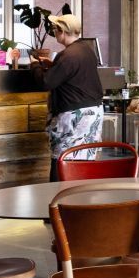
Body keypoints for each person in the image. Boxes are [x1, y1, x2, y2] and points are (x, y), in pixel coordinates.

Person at [33, 13, 104, 180]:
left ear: (62, 31)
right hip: (93, 113)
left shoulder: (67, 55)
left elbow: (45, 82)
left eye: (55, 29)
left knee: (62, 159)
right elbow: (74, 74)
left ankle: (59, 195)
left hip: (73, 115)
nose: (54, 32)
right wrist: (54, 65)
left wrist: (35, 65)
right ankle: (80, 195)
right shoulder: (86, 50)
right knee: (83, 159)